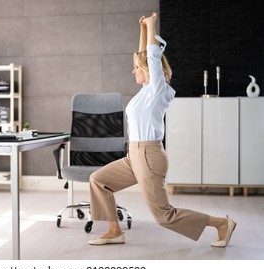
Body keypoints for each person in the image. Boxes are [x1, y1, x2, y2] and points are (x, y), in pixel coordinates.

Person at [88, 12, 236, 247]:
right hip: (133, 156)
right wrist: (142, 31)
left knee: (163, 216)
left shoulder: (158, 91)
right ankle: (114, 230)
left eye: (137, 68)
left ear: (148, 69)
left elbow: (151, 59)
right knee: (98, 180)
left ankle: (221, 224)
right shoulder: (145, 92)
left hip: (149, 157)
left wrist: (151, 25)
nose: (133, 71)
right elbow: (144, 58)